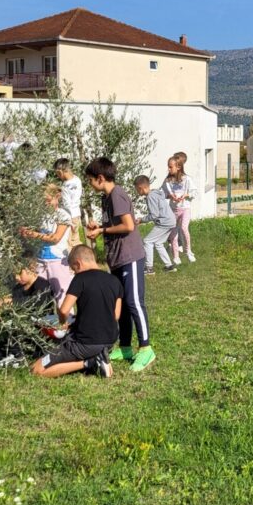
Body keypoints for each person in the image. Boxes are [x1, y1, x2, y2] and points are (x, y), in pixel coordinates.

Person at [84, 157, 155, 371]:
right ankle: (125, 347)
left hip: (130, 256)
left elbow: (128, 225)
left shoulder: (117, 194)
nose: (89, 184)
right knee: (122, 303)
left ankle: (146, 349)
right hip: (116, 258)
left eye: (90, 180)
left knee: (134, 301)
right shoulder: (106, 198)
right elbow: (115, 222)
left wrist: (103, 230)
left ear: (100, 178)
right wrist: (101, 224)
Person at [31, 245, 122, 378]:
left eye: (73, 269)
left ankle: (90, 362)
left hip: (85, 343)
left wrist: (62, 323)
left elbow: (64, 310)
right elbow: (116, 315)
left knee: (36, 370)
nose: (74, 273)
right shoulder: (114, 280)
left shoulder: (80, 279)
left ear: (78, 263)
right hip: (109, 341)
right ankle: (99, 355)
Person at [0, 263, 54, 369]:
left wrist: (11, 302)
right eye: (15, 274)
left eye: (19, 273)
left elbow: (35, 304)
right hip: (23, 324)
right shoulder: (18, 288)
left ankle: (17, 355)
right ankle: (4, 351)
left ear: (31, 269)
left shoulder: (42, 285)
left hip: (41, 325)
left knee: (14, 321)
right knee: (5, 323)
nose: (16, 277)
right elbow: (13, 309)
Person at [19, 184, 74, 307]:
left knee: (62, 297)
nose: (45, 203)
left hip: (58, 261)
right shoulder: (40, 216)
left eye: (48, 200)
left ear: (57, 196)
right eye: (42, 201)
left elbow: (55, 238)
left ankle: (66, 323)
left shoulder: (63, 215)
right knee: (40, 297)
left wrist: (33, 234)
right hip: (40, 261)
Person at [134, 175, 177, 274]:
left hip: (164, 222)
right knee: (158, 243)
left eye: (137, 189)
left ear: (141, 188)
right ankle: (169, 266)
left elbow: (154, 215)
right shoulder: (156, 193)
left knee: (147, 241)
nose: (137, 192)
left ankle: (149, 268)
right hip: (171, 221)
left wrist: (141, 220)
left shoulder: (150, 196)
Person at [164, 155, 196, 265]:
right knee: (173, 232)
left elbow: (194, 192)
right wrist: (170, 196)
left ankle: (188, 251)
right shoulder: (168, 180)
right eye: (168, 167)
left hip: (185, 208)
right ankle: (176, 256)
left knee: (184, 228)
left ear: (178, 167)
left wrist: (186, 195)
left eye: (170, 167)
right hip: (173, 210)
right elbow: (164, 193)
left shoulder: (187, 179)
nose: (168, 169)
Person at [54, 158, 84, 247]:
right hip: (76, 214)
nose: (58, 176)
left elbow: (67, 204)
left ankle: (74, 259)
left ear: (60, 171)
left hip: (70, 216)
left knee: (69, 242)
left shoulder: (67, 185)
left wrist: (58, 207)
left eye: (57, 174)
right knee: (74, 239)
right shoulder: (76, 179)